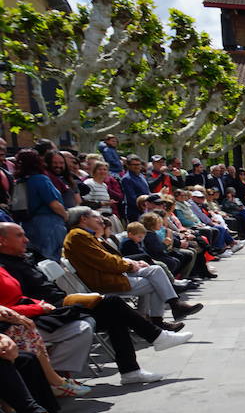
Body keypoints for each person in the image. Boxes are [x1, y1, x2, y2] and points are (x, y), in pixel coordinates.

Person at [0, 222, 185, 383]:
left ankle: (132, 369)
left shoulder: (23, 258)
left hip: (58, 304)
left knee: (115, 312)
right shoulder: (6, 266)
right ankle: (154, 338)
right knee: (112, 303)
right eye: (19, 236)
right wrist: (40, 307)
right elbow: (17, 298)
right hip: (48, 310)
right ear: (3, 241)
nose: (26, 239)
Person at [63, 207, 200, 328]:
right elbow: (104, 261)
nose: (101, 220)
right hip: (103, 280)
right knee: (155, 283)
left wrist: (133, 262)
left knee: (156, 270)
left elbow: (106, 258)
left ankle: (166, 310)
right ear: (84, 219)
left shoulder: (84, 235)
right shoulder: (78, 236)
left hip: (109, 274)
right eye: (96, 217)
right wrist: (129, 265)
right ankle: (155, 320)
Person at [14, 149, 67, 261]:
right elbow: (54, 204)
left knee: (38, 261)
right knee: (51, 261)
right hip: (49, 226)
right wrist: (66, 216)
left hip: (28, 226)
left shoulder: (20, 181)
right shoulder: (41, 179)